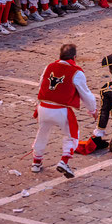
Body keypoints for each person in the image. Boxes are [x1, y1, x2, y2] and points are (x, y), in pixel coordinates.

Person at [32, 44, 97, 178]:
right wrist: (93, 110)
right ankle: (64, 161)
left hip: (43, 108)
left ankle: (36, 163)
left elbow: (41, 84)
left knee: (42, 133)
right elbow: (86, 95)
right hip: (61, 110)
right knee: (71, 134)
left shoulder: (49, 67)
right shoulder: (76, 72)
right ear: (74, 57)